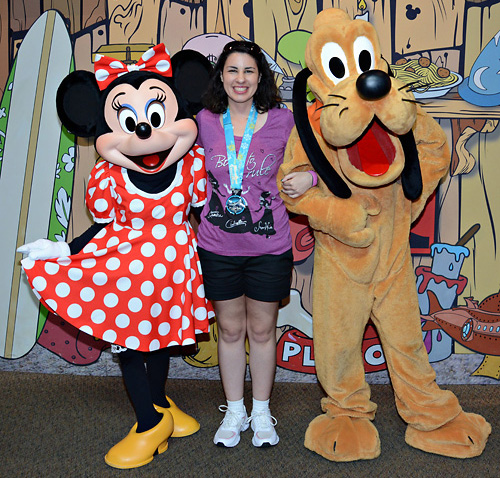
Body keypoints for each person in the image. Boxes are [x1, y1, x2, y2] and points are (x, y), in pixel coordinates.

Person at [194, 40, 315, 448]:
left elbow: (323, 161)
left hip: (269, 246)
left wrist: (310, 180)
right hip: (217, 245)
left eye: (248, 71)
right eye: (232, 70)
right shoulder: (204, 122)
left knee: (263, 329)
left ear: (260, 77)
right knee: (229, 330)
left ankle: (261, 411)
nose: (240, 79)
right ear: (221, 76)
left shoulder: (284, 120)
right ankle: (235, 410)